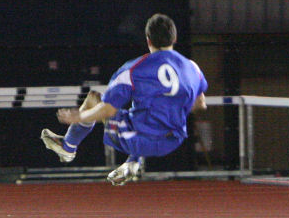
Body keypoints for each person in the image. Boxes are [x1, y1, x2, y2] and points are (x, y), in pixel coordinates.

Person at [41, 13, 208, 186]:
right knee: (145, 116)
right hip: (173, 141)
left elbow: (108, 110)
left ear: (148, 40)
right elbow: (200, 104)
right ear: (174, 38)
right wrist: (172, 109)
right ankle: (133, 161)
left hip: (139, 139)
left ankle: (67, 147)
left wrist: (80, 117)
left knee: (93, 98)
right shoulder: (192, 67)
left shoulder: (133, 69)